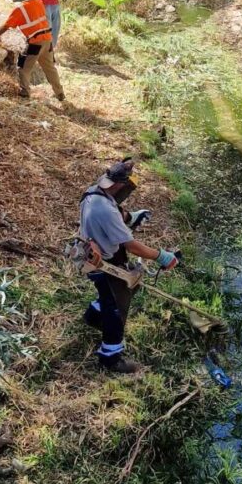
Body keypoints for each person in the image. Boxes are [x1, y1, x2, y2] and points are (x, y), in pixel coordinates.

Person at [80, 158, 178, 374]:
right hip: (104, 264)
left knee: (118, 292)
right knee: (117, 306)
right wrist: (162, 256)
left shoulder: (94, 192)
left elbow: (116, 210)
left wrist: (132, 217)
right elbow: (132, 246)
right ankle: (111, 358)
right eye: (126, 187)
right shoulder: (105, 210)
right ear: (116, 185)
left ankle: (93, 317)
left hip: (95, 254)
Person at [0, 0, 65, 101]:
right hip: (48, 40)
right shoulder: (37, 2)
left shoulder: (19, 10)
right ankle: (60, 93)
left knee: (23, 68)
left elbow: (6, 26)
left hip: (36, 42)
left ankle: (25, 92)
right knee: (50, 68)